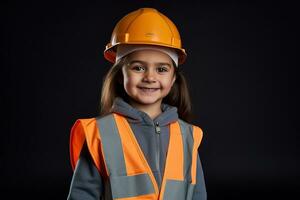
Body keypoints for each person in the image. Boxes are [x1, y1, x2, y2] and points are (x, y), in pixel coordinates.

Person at [67, 7, 207, 200]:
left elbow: (197, 194)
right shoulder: (100, 133)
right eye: (138, 67)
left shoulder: (188, 136)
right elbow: (82, 195)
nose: (150, 77)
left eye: (161, 69)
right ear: (120, 75)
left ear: (173, 79)